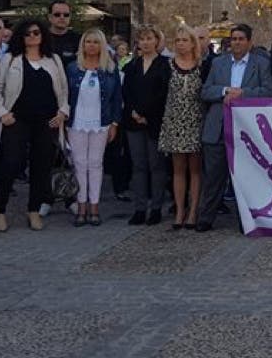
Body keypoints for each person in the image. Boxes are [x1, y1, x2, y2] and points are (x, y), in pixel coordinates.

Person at [0, 18, 69, 232]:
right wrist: (2, 113)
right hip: (17, 120)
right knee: (10, 164)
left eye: (36, 32)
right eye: (27, 33)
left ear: (43, 34)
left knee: (41, 167)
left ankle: (33, 210)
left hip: (46, 122)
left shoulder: (54, 60)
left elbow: (63, 91)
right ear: (20, 37)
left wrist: (63, 112)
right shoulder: (10, 59)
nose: (32, 36)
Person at [199, 23, 272, 232]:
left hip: (246, 130)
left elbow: (268, 90)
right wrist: (225, 91)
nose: (237, 43)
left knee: (246, 178)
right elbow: (205, 91)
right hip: (218, 127)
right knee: (213, 177)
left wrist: (242, 94)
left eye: (241, 39)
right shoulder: (219, 63)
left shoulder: (261, 64)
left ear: (249, 42)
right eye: (234, 39)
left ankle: (247, 220)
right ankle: (206, 217)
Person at [66, 28, 122, 227]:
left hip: (101, 122)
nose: (91, 45)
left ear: (102, 45)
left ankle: (95, 206)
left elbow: (117, 98)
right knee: (79, 163)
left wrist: (115, 122)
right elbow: (65, 95)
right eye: (88, 42)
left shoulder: (110, 68)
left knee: (96, 164)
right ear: (82, 45)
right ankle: (81, 205)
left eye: (95, 42)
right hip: (77, 123)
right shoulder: (73, 68)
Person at [122, 24, 171, 226]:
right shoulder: (132, 65)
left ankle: (156, 208)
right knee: (139, 166)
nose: (146, 42)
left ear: (157, 41)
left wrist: (146, 114)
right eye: (142, 39)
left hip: (154, 121)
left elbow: (164, 93)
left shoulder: (165, 65)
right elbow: (127, 91)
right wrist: (135, 112)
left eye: (149, 38)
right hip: (133, 121)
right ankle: (140, 207)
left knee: (156, 165)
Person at [157, 24, 205, 230]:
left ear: (193, 43)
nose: (181, 44)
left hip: (195, 120)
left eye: (185, 40)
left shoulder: (203, 65)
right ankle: (179, 210)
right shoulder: (167, 64)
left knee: (195, 169)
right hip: (174, 120)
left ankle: (194, 211)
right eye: (178, 40)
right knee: (178, 169)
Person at [47, 0, 80, 66]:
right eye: (57, 15)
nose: (62, 17)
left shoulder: (79, 40)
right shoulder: (40, 38)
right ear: (50, 17)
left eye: (66, 15)